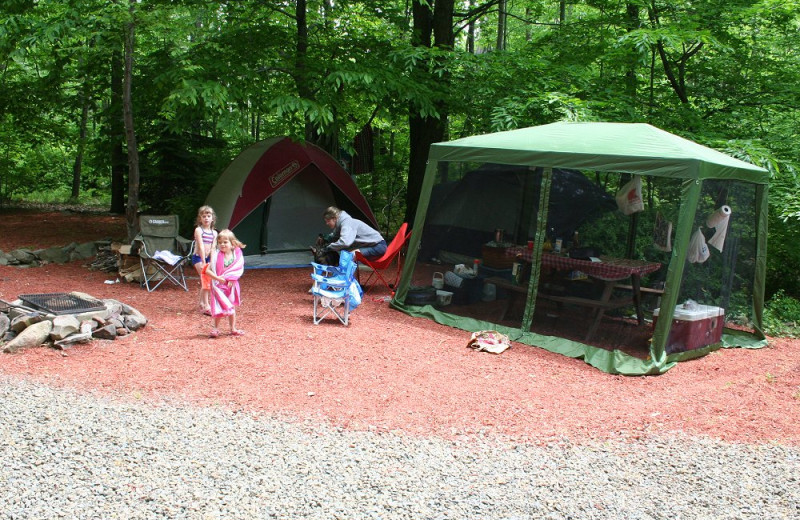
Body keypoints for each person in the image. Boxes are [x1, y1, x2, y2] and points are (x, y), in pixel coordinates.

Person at [312, 206, 386, 264]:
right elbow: (335, 236)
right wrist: (325, 238)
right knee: (348, 253)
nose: (327, 223)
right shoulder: (341, 224)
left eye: (328, 221)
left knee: (349, 256)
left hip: (378, 246)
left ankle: (345, 281)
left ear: (334, 218)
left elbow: (345, 242)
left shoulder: (347, 223)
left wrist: (328, 248)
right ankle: (350, 280)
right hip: (370, 245)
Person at [206, 229, 246, 338]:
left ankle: (233, 328)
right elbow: (207, 271)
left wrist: (231, 279)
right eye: (220, 243)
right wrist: (217, 278)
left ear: (232, 243)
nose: (222, 244)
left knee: (231, 307)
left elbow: (238, 268)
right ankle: (215, 329)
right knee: (219, 306)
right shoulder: (216, 256)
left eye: (225, 242)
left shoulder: (237, 255)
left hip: (231, 286)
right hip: (219, 286)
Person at [192, 205, 218, 315]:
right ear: (200, 218)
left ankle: (202, 303)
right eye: (204, 216)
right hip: (198, 257)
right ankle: (207, 305)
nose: (206, 218)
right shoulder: (199, 230)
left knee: (207, 280)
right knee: (206, 279)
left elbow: (213, 248)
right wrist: (203, 262)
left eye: (208, 216)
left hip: (208, 258)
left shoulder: (214, 233)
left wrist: (212, 263)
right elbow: (201, 246)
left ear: (212, 218)